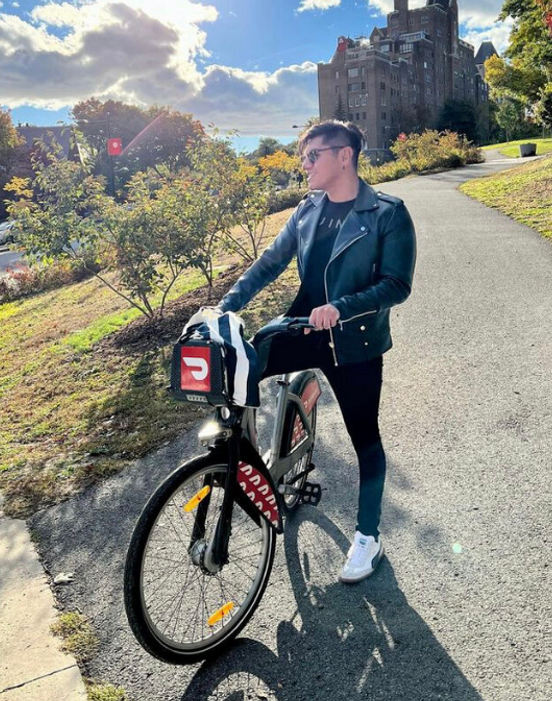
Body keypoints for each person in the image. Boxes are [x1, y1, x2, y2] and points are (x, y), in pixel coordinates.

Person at [215, 120, 415, 583]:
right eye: (302, 156)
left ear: (344, 155)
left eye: (312, 156)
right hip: (301, 328)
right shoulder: (306, 210)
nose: (304, 164)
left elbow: (396, 285)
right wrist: (224, 307)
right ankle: (244, 464)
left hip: (353, 342)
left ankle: (369, 537)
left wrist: (341, 308)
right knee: (239, 367)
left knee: (365, 437)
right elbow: (269, 263)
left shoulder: (388, 213)